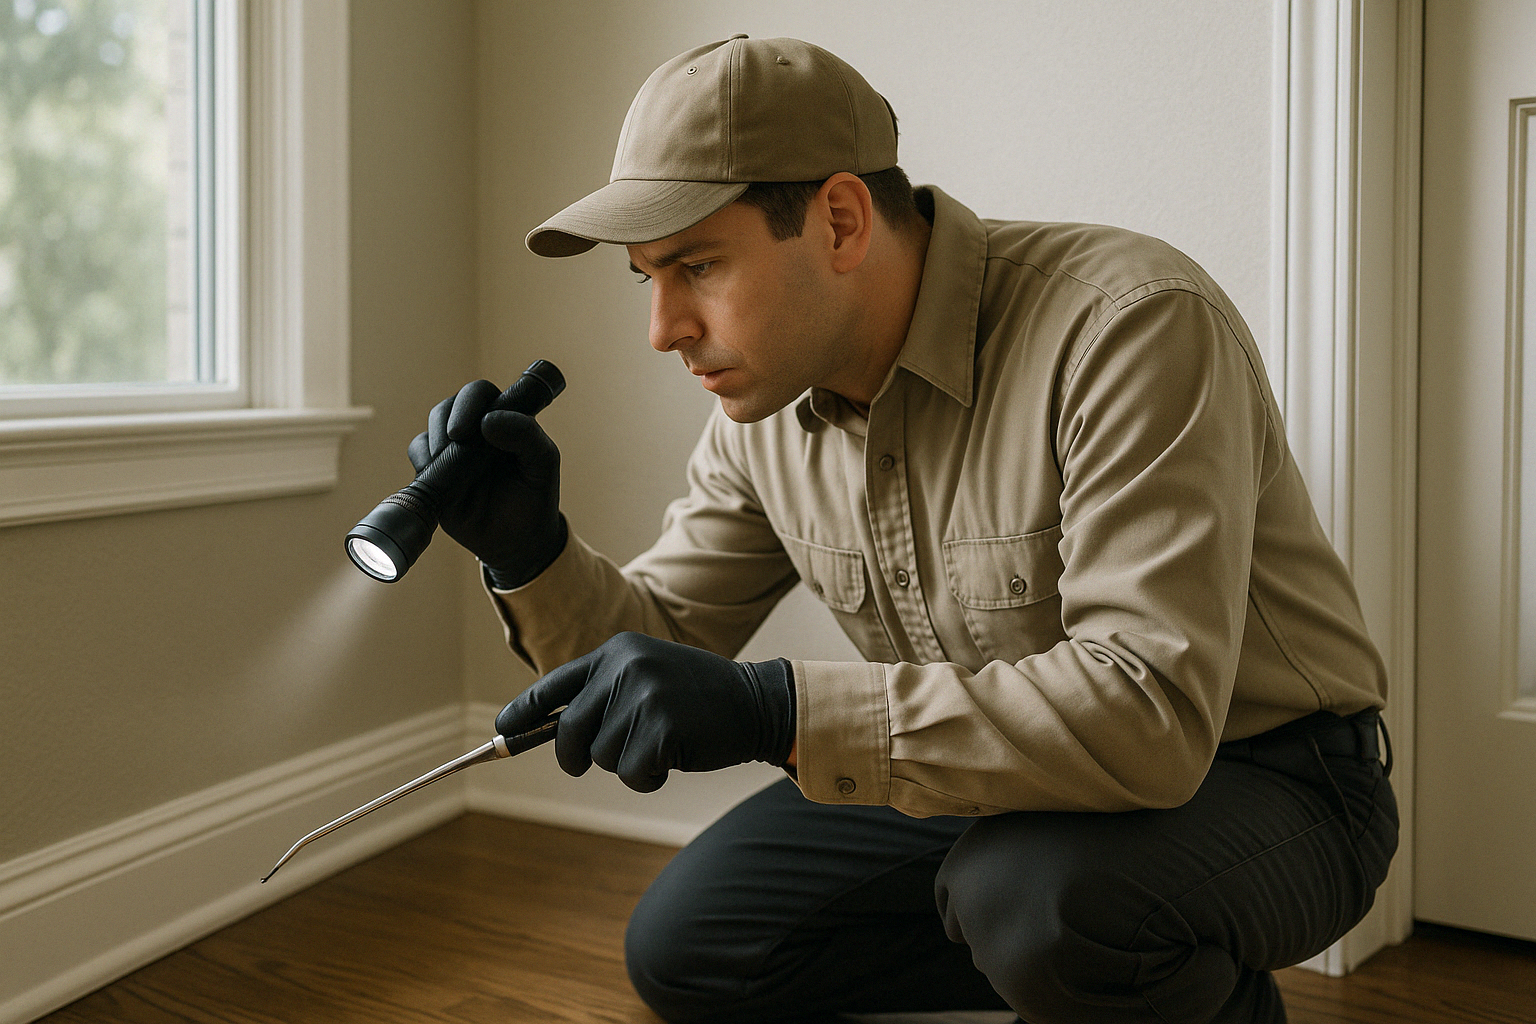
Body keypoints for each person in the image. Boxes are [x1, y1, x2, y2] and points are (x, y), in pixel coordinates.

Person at [411, 34, 1397, 1024]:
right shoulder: (762, 418)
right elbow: (655, 657)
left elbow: (1149, 719)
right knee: (691, 944)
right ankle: (1093, 969)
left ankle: (1149, 966)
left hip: (1271, 775)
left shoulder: (1128, 325)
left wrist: (777, 709)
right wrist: (529, 551)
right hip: (998, 785)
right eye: (647, 278)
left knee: (1033, 903)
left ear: (840, 219)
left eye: (698, 265)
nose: (663, 327)